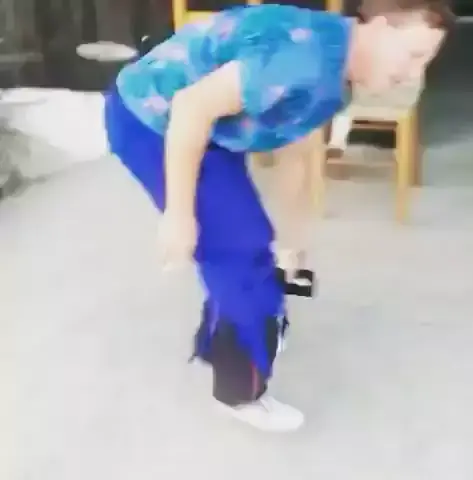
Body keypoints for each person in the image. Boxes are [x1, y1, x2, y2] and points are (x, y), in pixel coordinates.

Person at [103, 1, 453, 432]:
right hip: (152, 120)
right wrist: (179, 215)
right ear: (379, 26)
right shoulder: (301, 59)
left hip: (206, 129)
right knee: (240, 249)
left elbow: (296, 148)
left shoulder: (337, 70)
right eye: (414, 55)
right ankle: (239, 392)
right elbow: (191, 108)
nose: (414, 75)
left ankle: (235, 328)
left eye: (426, 62)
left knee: (247, 238)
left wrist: (292, 242)